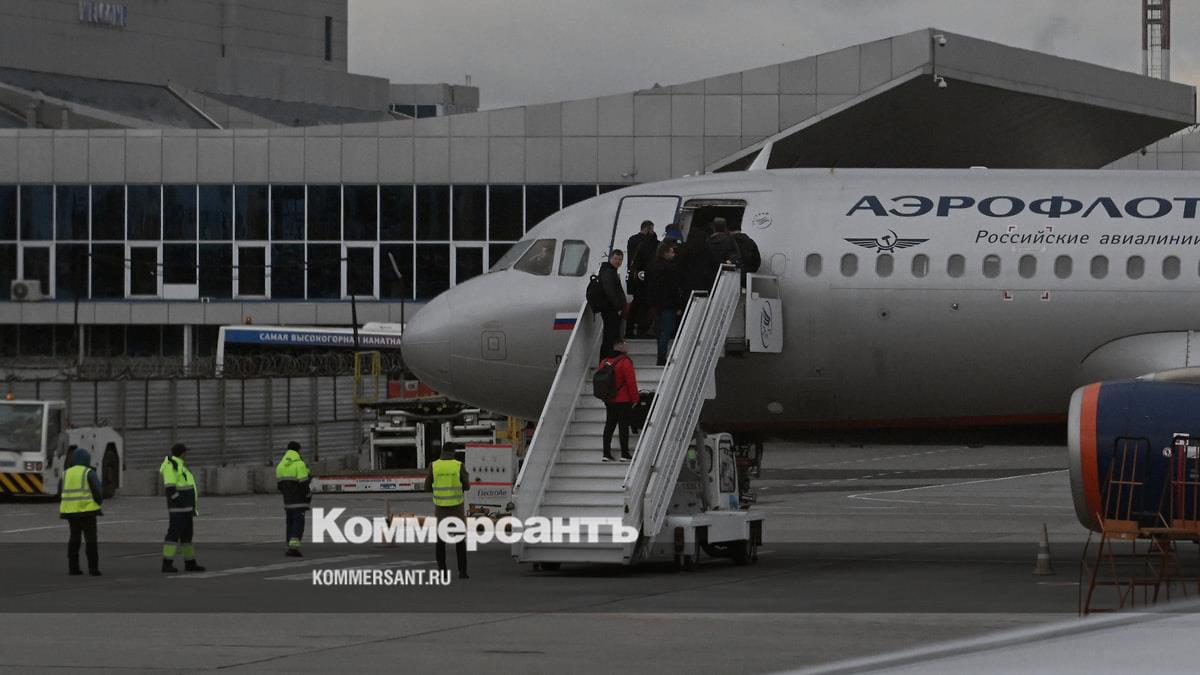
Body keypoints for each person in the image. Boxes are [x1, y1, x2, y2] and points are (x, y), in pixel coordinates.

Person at [425, 442, 470, 579]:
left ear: (442, 451)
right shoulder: (458, 465)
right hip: (457, 507)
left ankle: (442, 572)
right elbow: (467, 485)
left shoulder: (434, 465)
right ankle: (462, 572)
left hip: (440, 508)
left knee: (440, 541)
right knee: (460, 540)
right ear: (453, 452)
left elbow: (427, 486)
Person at [159, 443, 205, 573]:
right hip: (178, 509)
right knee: (173, 536)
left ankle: (190, 563)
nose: (187, 454)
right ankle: (167, 564)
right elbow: (170, 487)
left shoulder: (180, 465)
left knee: (187, 537)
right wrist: (180, 501)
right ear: (182, 453)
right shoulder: (171, 466)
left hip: (186, 508)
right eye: (186, 452)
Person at [60, 445, 103, 576]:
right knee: (90, 540)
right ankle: (93, 569)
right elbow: (98, 491)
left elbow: (62, 491)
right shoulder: (88, 472)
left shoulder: (66, 473)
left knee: (74, 539)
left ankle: (73, 568)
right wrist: (98, 503)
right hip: (87, 511)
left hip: (70, 511)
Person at [599, 339, 639, 462]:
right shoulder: (625, 362)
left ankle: (606, 453)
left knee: (609, 425)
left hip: (609, 399)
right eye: (625, 345)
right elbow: (631, 382)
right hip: (623, 399)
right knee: (623, 426)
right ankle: (624, 453)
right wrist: (635, 398)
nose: (628, 347)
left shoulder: (604, 361)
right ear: (621, 347)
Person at [645, 243, 685, 366]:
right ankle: (662, 357)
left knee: (659, 330)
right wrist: (679, 305)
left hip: (656, 304)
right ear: (665, 253)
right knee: (666, 331)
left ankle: (660, 356)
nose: (674, 254)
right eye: (672, 252)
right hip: (669, 304)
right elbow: (674, 288)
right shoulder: (671, 268)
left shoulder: (651, 266)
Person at [275, 441, 312, 557]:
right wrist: (308, 495)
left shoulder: (280, 465)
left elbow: (279, 486)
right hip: (299, 501)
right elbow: (304, 484)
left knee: (290, 523)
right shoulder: (299, 464)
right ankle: (293, 548)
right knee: (298, 524)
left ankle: (289, 545)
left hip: (288, 501)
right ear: (298, 450)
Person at [625, 220, 658, 339]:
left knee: (636, 304)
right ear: (649, 229)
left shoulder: (632, 240)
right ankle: (641, 330)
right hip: (643, 279)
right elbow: (649, 253)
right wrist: (653, 237)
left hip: (634, 278)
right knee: (643, 305)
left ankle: (630, 329)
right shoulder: (646, 242)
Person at [597, 249, 627, 357]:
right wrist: (618, 307)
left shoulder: (610, 271)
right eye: (615, 258)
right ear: (610, 258)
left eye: (620, 259)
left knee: (611, 334)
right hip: (611, 309)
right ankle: (607, 357)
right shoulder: (608, 272)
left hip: (611, 308)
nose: (618, 261)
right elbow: (610, 291)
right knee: (610, 335)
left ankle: (609, 357)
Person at [705, 217, 742, 287]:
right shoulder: (730, 240)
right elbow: (736, 258)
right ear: (725, 227)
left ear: (713, 228)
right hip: (724, 275)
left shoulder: (707, 241)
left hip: (708, 274)